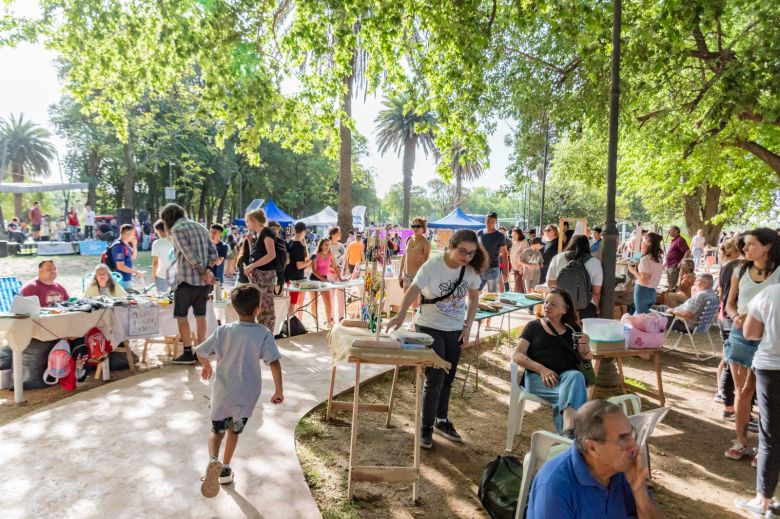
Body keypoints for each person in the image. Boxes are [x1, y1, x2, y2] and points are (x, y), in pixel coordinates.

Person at [385, 229, 486, 449]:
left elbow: (474, 297)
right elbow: (413, 289)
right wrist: (402, 314)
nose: (467, 257)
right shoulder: (433, 265)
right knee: (436, 377)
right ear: (451, 246)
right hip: (429, 325)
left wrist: (468, 327)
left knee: (449, 377)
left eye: (471, 253)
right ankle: (425, 427)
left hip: (455, 329)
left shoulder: (470, 270)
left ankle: (442, 420)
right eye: (462, 251)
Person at [195, 284, 284, 496]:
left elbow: (201, 351)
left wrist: (206, 365)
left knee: (216, 431)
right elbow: (274, 362)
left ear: (234, 308)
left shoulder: (223, 330)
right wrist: (278, 390)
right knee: (233, 431)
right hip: (246, 394)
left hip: (223, 391)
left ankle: (212, 461)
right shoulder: (263, 333)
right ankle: (224, 468)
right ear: (258, 309)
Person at [527, 400, 664, 519]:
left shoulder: (624, 471)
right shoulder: (554, 485)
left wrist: (639, 490)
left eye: (631, 434)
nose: (634, 446)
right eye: (622, 439)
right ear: (592, 447)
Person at [723, 228, 780, 462]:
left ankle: (764, 448)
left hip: (769, 340)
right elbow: (729, 304)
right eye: (744, 245)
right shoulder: (740, 269)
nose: (744, 249)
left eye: (750, 244)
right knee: (743, 391)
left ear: (766, 247)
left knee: (766, 395)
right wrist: (736, 316)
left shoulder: (778, 273)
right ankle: (741, 441)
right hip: (740, 336)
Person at [512, 287, 591, 434]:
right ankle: (572, 435)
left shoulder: (573, 329)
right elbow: (517, 355)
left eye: (553, 304)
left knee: (575, 376)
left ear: (565, 310)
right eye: (546, 302)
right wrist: (542, 370)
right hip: (538, 378)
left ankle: (568, 431)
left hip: (567, 378)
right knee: (573, 395)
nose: (547, 306)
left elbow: (584, 358)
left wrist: (585, 348)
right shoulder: (533, 327)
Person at [734, 283, 780, 517]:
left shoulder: (770, 293)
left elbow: (750, 333)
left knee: (770, 436)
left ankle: (762, 500)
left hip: (771, 368)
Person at [163, 203, 217, 365]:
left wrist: (202, 271)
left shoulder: (177, 230)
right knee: (201, 316)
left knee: (181, 317)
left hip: (185, 280)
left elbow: (188, 254)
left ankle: (187, 352)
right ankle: (202, 352)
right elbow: (213, 253)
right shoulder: (201, 227)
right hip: (204, 282)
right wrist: (207, 270)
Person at [715, 238, 742, 415]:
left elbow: (721, 294)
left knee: (727, 359)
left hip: (725, 315)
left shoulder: (725, 267)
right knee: (730, 362)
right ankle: (728, 403)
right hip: (733, 318)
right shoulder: (738, 267)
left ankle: (724, 397)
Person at [546, 235, 603, 319]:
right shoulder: (595, 262)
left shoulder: (557, 258)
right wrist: (597, 307)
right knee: (584, 331)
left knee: (561, 330)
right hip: (586, 307)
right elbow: (596, 292)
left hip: (561, 305)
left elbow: (551, 284)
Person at [242, 209, 278, 331]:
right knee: (260, 307)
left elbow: (271, 255)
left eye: (247, 221)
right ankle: (263, 335)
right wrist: (250, 241)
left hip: (265, 275)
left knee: (266, 308)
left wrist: (252, 266)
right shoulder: (259, 234)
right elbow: (259, 253)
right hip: (259, 275)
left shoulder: (267, 232)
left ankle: (267, 336)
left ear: (253, 220)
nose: (246, 224)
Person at [399, 217, 431, 308]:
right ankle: (403, 318)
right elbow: (404, 257)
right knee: (406, 299)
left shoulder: (426, 243)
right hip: (407, 274)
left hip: (418, 275)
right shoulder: (409, 239)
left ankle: (414, 321)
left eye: (418, 226)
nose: (415, 228)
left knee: (415, 301)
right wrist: (400, 273)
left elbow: (426, 262)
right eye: (413, 226)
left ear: (423, 228)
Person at [628, 232, 664, 314]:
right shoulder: (659, 259)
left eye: (643, 241)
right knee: (641, 315)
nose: (641, 244)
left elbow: (644, 280)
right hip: (653, 292)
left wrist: (633, 271)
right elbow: (634, 261)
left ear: (648, 243)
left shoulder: (645, 259)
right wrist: (640, 253)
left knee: (641, 317)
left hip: (642, 291)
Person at [309, 238, 341, 327]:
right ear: (321, 245)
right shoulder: (315, 255)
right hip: (314, 279)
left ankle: (329, 322)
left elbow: (335, 267)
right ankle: (315, 321)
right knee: (314, 302)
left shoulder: (330, 254)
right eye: (326, 244)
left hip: (324, 279)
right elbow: (314, 270)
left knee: (328, 302)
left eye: (329, 244)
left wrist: (341, 278)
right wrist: (324, 280)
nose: (327, 246)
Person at [477, 211, 509, 294]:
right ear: (485, 220)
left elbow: (505, 255)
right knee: (475, 292)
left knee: (491, 295)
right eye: (487, 221)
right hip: (480, 268)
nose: (489, 223)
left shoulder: (500, 236)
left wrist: (506, 272)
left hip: (493, 268)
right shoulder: (479, 233)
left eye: (492, 222)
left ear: (495, 222)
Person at [285, 222, 312, 320]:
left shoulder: (290, 241)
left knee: (291, 302)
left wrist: (305, 246)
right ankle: (290, 325)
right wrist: (311, 260)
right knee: (293, 303)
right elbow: (300, 265)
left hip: (288, 276)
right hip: (295, 278)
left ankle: (290, 323)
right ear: (304, 231)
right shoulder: (298, 246)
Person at [110, 224, 143, 291]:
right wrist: (136, 272)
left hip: (126, 278)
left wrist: (134, 245)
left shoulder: (126, 244)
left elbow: (133, 257)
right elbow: (120, 266)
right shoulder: (119, 246)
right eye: (133, 234)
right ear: (127, 234)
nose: (134, 236)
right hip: (121, 280)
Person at [328, 226, 347, 322]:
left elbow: (344, 258)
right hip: (330, 274)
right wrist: (333, 269)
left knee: (341, 295)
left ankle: (341, 316)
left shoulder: (341, 246)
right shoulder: (327, 246)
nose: (340, 235)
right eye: (338, 233)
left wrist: (344, 270)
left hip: (340, 273)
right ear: (333, 234)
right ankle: (330, 316)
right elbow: (325, 261)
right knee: (331, 296)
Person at [151, 219, 174, 294]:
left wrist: (154, 275)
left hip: (161, 275)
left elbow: (155, 262)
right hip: (175, 275)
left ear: (158, 231)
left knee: (162, 300)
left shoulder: (156, 243)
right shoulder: (175, 241)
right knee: (173, 299)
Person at [509, 228, 529, 293]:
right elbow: (513, 253)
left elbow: (526, 255)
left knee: (518, 286)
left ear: (519, 235)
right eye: (512, 234)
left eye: (515, 234)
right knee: (519, 286)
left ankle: (518, 299)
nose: (513, 236)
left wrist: (521, 266)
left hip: (521, 267)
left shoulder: (524, 242)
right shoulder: (514, 242)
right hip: (515, 267)